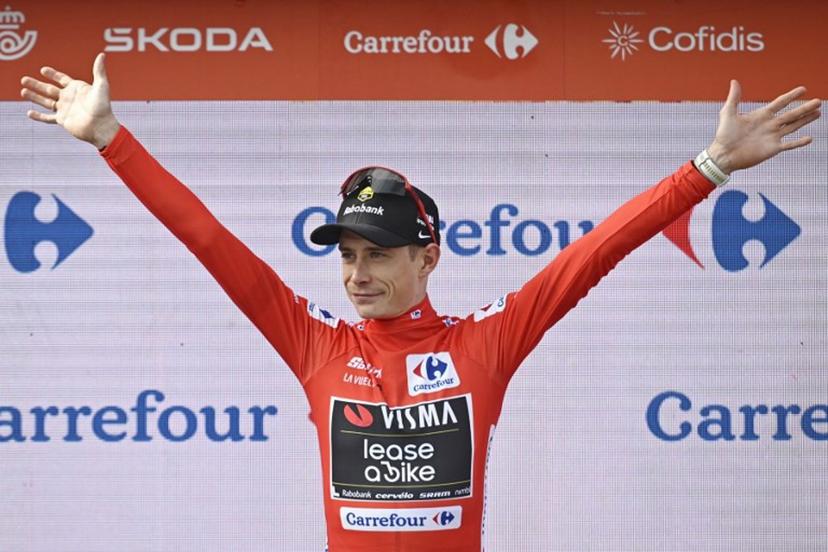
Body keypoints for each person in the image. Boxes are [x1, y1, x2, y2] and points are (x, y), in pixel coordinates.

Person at [19, 53, 821, 552]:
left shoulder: (486, 344)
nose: (357, 274)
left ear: (427, 256)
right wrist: (111, 139)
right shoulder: (319, 345)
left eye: (378, 255)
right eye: (347, 255)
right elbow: (208, 241)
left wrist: (710, 166)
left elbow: (594, 253)